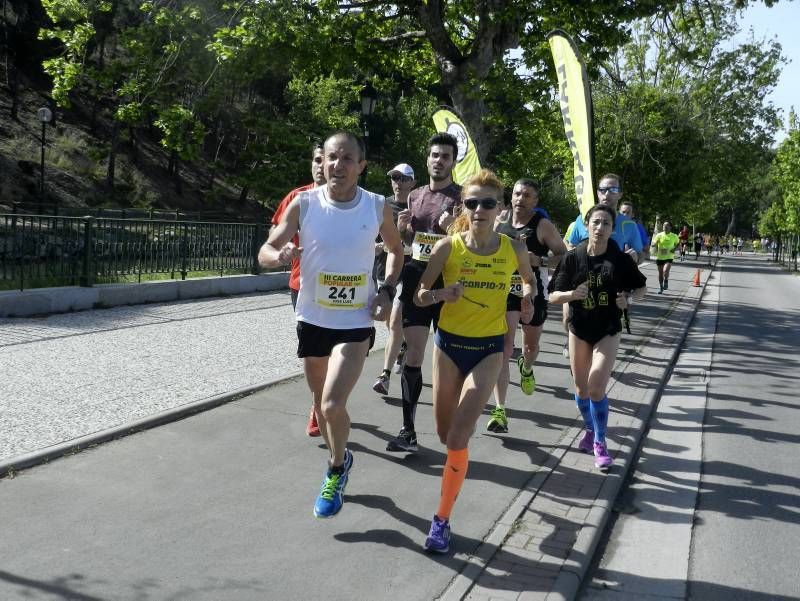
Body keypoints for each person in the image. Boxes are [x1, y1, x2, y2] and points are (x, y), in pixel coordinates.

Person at [258, 131, 404, 518]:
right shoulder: (304, 204)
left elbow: (395, 250)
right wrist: (279, 254)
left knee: (332, 402)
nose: (338, 166)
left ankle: (335, 469)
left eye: (347, 159)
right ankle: (343, 458)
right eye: (332, 158)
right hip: (312, 319)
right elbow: (266, 250)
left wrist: (387, 289)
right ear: (322, 162)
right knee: (322, 411)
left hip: (355, 322)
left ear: (361, 166)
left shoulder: (376, 206)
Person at [413, 169, 537, 552]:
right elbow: (419, 295)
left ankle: (442, 520)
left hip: (489, 350)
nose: (479, 209)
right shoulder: (447, 248)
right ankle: (448, 498)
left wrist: (528, 296)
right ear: (463, 206)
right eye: (472, 202)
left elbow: (528, 279)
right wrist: (440, 296)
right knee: (443, 434)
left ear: (499, 208)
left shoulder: (512, 248)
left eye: (487, 203)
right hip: (449, 346)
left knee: (458, 436)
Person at [549, 204, 647, 469]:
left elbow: (641, 288)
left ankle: (600, 443)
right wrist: (571, 295)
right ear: (587, 224)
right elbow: (553, 295)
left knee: (595, 386)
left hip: (608, 328)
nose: (600, 228)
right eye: (596, 222)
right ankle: (590, 428)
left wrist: (628, 299)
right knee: (581, 388)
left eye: (606, 224)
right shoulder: (573, 257)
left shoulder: (620, 259)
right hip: (579, 328)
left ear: (612, 229)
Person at [386, 132, 462, 453]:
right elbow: (410, 241)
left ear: (453, 162)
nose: (439, 161)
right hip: (418, 279)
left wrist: (452, 227)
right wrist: (404, 229)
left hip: (448, 282)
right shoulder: (414, 196)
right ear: (427, 159)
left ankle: (454, 425)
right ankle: (408, 430)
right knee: (414, 352)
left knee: (448, 358)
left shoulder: (463, 198)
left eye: (445, 156)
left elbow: (471, 241)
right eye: (435, 155)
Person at [486, 178, 566, 433]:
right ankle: (500, 409)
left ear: (535, 201)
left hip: (534, 292)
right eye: (518, 194)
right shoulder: (499, 221)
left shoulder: (542, 226)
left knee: (529, 347)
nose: (521, 198)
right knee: (505, 348)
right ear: (511, 197)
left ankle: (527, 367)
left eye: (527, 195)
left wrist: (538, 260)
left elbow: (564, 257)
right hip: (505, 292)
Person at [271, 142, 326, 437]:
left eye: (325, 159)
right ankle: (318, 405)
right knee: (312, 351)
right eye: (316, 159)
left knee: (332, 351)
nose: (321, 165)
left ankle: (327, 401)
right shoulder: (296, 197)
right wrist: (284, 247)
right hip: (301, 286)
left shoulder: (348, 201)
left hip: (339, 287)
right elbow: (274, 234)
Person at [562, 173, 643, 332]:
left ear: (620, 194)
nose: (607, 194)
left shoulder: (628, 225)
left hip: (609, 284)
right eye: (603, 189)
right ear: (597, 192)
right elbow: (569, 243)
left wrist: (636, 257)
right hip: (580, 281)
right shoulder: (583, 219)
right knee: (568, 319)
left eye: (612, 189)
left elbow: (641, 255)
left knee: (603, 327)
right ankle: (573, 341)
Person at [372, 163, 416, 395]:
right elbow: (369, 233)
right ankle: (402, 347)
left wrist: (404, 241)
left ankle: (384, 375)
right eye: (394, 178)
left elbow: (422, 242)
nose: (397, 183)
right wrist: (375, 246)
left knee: (396, 321)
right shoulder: (382, 205)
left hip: (408, 272)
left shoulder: (418, 206)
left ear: (412, 183)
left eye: (402, 179)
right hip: (385, 271)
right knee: (390, 323)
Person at [650, 221, 680, 293]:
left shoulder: (674, 236)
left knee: (665, 271)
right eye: (664, 225)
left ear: (670, 227)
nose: (665, 227)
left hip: (669, 256)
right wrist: (654, 244)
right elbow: (654, 243)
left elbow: (678, 244)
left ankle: (666, 280)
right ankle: (661, 287)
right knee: (660, 274)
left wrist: (674, 249)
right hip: (660, 257)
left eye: (667, 225)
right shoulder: (659, 235)